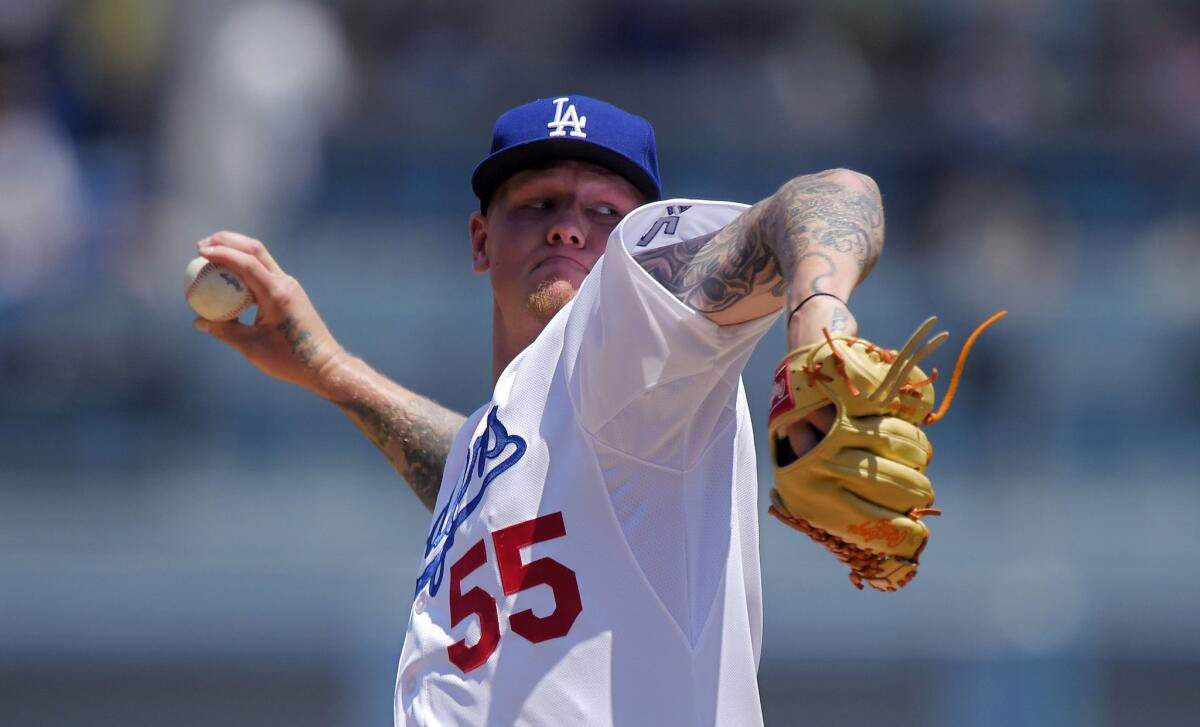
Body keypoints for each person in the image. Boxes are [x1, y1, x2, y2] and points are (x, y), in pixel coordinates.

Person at [194, 94, 883, 726]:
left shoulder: (633, 336)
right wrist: (333, 371)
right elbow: (499, 487)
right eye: (539, 205)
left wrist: (818, 318)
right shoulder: (520, 421)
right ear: (480, 240)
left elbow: (833, 196)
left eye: (604, 213)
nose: (569, 230)